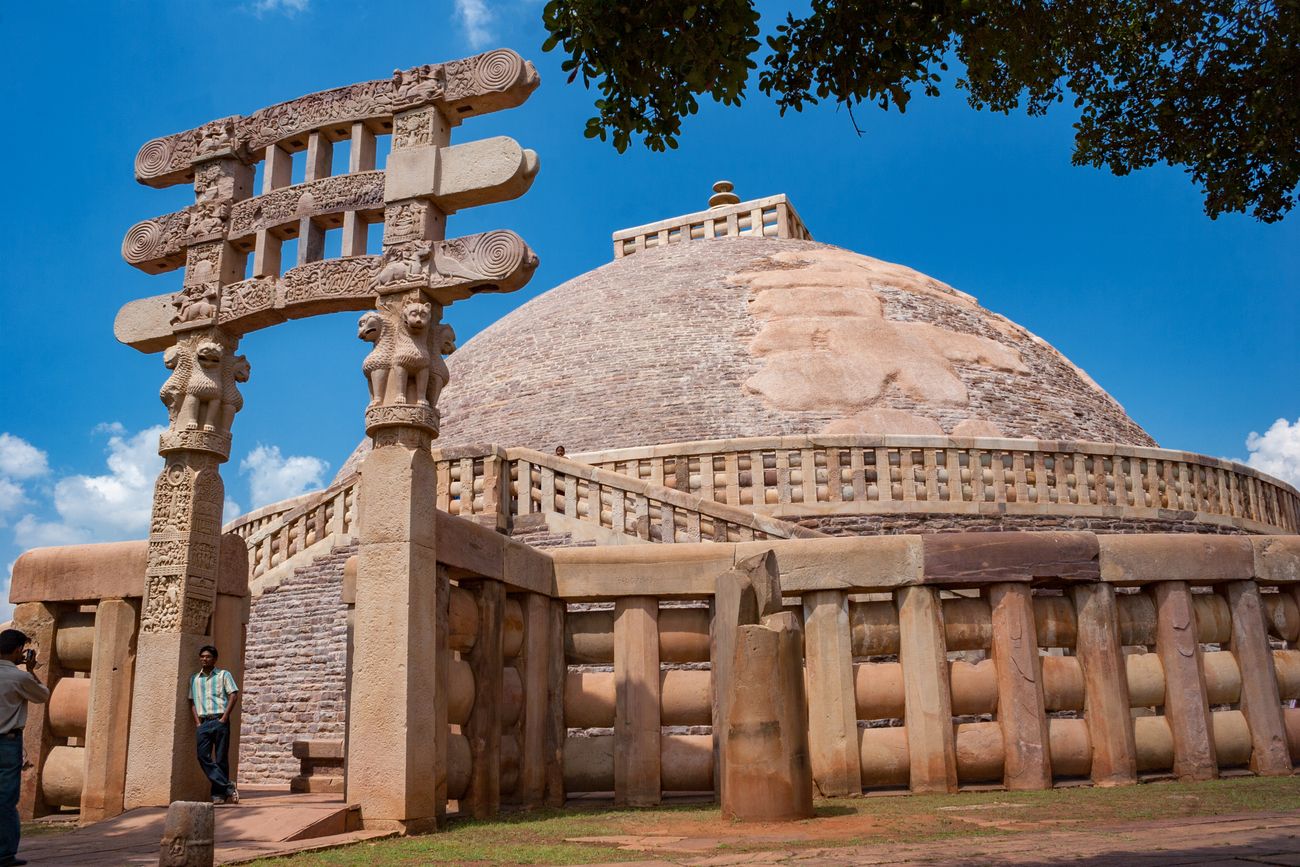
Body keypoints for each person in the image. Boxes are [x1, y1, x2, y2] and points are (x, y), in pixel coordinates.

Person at [0, 628, 50, 867]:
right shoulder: (19, 678)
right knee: (6, 800)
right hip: (7, 743)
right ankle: (5, 854)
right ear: (19, 650)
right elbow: (43, 695)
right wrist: (31, 671)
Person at [189, 645, 239, 805]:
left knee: (221, 758)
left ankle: (219, 795)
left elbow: (233, 695)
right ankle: (228, 786)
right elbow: (191, 701)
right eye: (202, 656)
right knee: (202, 756)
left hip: (220, 720)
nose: (204, 659)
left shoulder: (224, 675)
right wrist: (197, 722)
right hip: (203, 723)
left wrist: (224, 718)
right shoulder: (194, 679)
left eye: (208, 656)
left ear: (215, 659)